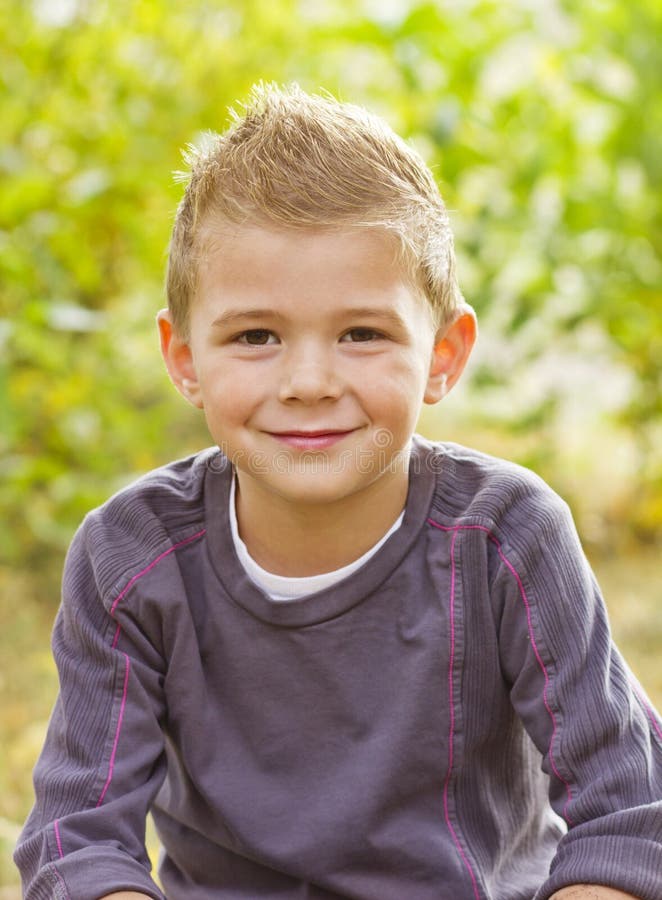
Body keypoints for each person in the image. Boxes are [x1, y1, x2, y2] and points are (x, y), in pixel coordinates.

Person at [15, 83, 661, 900]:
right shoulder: (131, 556)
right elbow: (79, 842)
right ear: (183, 358)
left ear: (443, 354)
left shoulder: (508, 536)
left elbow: (633, 813)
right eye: (256, 336)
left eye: (363, 333)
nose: (310, 382)